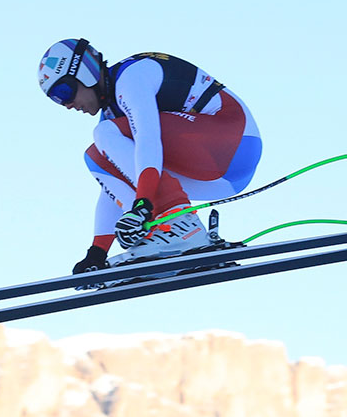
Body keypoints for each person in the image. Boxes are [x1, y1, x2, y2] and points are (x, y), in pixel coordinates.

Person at [37, 39, 263, 275]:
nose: (67, 104)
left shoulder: (131, 77)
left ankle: (180, 224)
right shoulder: (111, 116)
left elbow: (148, 139)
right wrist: (97, 252)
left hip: (234, 143)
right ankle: (164, 233)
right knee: (95, 157)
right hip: (216, 179)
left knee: (105, 134)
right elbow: (113, 186)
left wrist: (144, 203)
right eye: (56, 100)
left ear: (85, 73)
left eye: (64, 92)